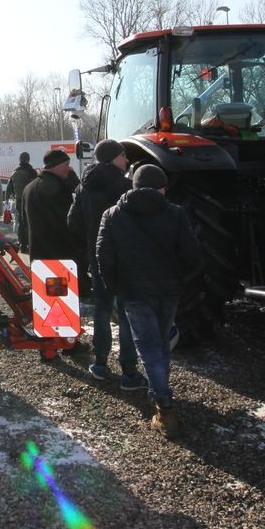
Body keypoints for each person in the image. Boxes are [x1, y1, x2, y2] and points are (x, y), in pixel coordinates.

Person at [96, 164, 202, 439]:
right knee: (161, 345)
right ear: (162, 187)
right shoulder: (176, 213)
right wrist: (181, 280)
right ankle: (161, 397)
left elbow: (103, 256)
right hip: (168, 291)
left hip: (133, 293)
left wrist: (115, 287)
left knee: (150, 348)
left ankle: (164, 406)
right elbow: (192, 253)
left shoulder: (113, 215)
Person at [67, 139, 144, 389]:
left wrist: (90, 243)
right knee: (125, 314)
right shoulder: (125, 186)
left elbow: (73, 222)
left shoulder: (83, 187)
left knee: (101, 309)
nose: (127, 160)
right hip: (125, 259)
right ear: (113, 157)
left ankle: (100, 364)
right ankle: (129, 372)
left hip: (96, 257)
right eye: (123, 156)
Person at [22, 150, 79, 261]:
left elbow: (24, 221)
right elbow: (68, 220)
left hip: (38, 255)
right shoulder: (57, 187)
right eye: (66, 164)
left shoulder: (28, 188)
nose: (69, 168)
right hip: (61, 255)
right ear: (55, 166)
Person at [7, 152, 37, 252]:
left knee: (21, 221)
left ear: (19, 160)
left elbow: (9, 188)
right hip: (30, 200)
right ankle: (30, 244)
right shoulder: (32, 172)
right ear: (28, 159)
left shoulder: (14, 172)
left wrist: (10, 198)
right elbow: (35, 187)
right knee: (30, 222)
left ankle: (22, 244)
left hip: (19, 200)